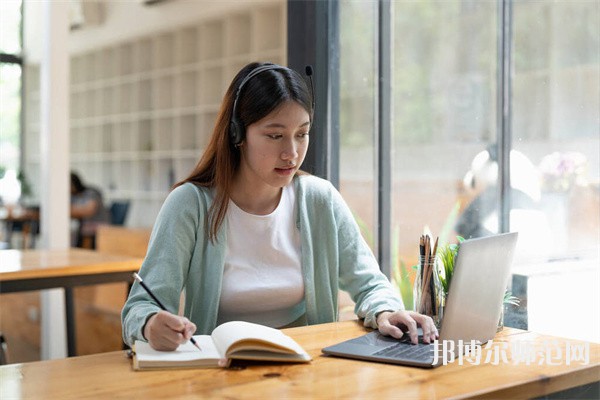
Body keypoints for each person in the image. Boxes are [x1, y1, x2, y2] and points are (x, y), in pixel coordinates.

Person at [121, 62, 438, 351]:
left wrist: (386, 311)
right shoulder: (190, 205)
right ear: (237, 134)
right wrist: (149, 325)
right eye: (275, 135)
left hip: (306, 371)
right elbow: (139, 308)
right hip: (217, 374)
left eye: (302, 134)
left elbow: (371, 284)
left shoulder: (319, 200)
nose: (292, 152)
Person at [70, 172, 110, 248]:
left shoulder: (91, 193)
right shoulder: (73, 196)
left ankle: (85, 253)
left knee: (86, 229)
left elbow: (89, 210)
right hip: (84, 224)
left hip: (99, 222)